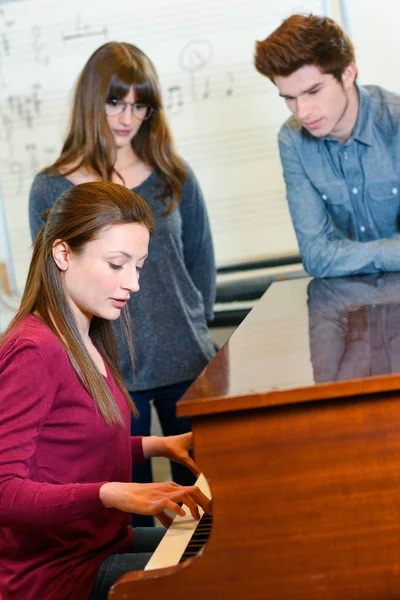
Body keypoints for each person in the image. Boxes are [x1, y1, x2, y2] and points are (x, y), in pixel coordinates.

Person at [28, 42, 216, 523]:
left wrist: (192, 323)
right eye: (115, 102)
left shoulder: (174, 175)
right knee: (124, 518)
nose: (127, 117)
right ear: (92, 101)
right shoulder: (52, 189)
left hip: (188, 365)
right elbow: (55, 288)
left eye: (139, 104)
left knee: (207, 506)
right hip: (110, 378)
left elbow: (200, 265)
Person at [0, 181, 211, 600]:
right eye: (117, 264)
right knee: (213, 580)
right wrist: (113, 493)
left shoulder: (86, 334)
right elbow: (5, 489)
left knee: (215, 543)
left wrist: (158, 445)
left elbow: (66, 450)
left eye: (139, 266)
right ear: (63, 254)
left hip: (102, 546)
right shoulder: (33, 351)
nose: (132, 283)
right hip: (58, 577)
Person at [254, 14, 400, 278]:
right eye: (289, 98)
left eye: (313, 91)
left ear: (347, 73)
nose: (303, 112)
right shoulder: (293, 139)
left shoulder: (396, 121)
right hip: (350, 306)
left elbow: (327, 255)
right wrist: (387, 252)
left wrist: (347, 255)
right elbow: (316, 257)